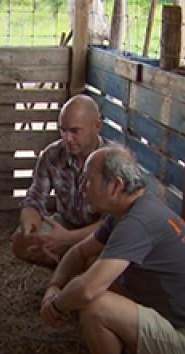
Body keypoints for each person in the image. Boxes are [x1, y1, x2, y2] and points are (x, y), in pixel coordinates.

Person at [41, 145, 185, 354]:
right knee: (92, 263)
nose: (82, 188)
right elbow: (79, 252)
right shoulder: (128, 211)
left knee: (95, 306)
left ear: (116, 186)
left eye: (89, 181)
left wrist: (55, 306)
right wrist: (54, 287)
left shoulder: (137, 222)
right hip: (170, 315)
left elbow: (87, 290)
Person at [11, 94, 111, 268]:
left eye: (74, 131)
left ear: (97, 126)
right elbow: (34, 199)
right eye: (63, 130)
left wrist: (68, 239)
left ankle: (69, 269)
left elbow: (113, 223)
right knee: (20, 243)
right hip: (65, 223)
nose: (67, 138)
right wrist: (30, 228)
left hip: (98, 232)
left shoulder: (112, 162)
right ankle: (64, 266)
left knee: (94, 262)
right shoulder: (52, 155)